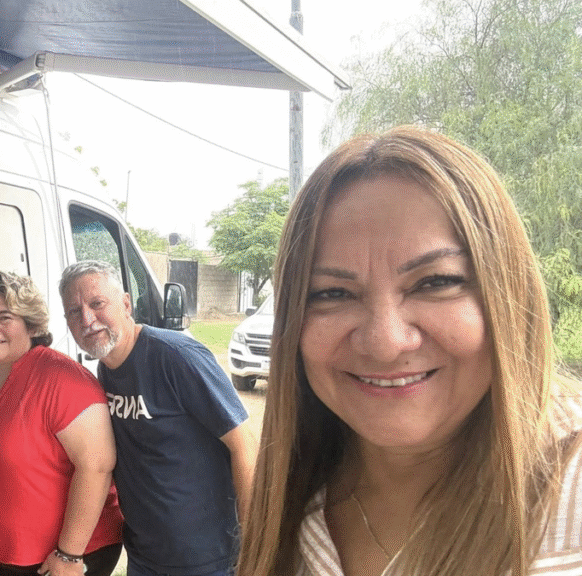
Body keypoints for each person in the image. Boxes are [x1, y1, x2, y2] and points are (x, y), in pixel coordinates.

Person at [237, 126, 582, 576]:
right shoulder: (293, 493)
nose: (385, 343)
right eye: (332, 293)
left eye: (435, 282)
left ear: (507, 293)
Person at [59, 261, 255, 576]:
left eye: (97, 304)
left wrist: (255, 546)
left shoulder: (176, 356)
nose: (87, 319)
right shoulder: (105, 370)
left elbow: (244, 445)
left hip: (207, 560)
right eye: (74, 311)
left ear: (126, 304)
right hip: (145, 557)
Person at [0, 271, 122, 576]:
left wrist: (69, 555)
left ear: (30, 324)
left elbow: (96, 465)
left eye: (5, 317)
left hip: (64, 556)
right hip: (14, 553)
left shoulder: (62, 378)